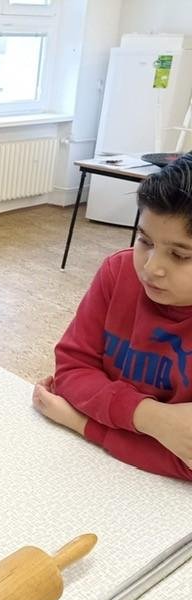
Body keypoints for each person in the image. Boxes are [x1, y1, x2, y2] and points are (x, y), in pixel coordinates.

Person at [33, 153, 192, 481]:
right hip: (88, 470)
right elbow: (72, 370)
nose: (151, 267)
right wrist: (152, 418)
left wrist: (83, 423)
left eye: (179, 255)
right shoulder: (118, 272)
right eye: (145, 240)